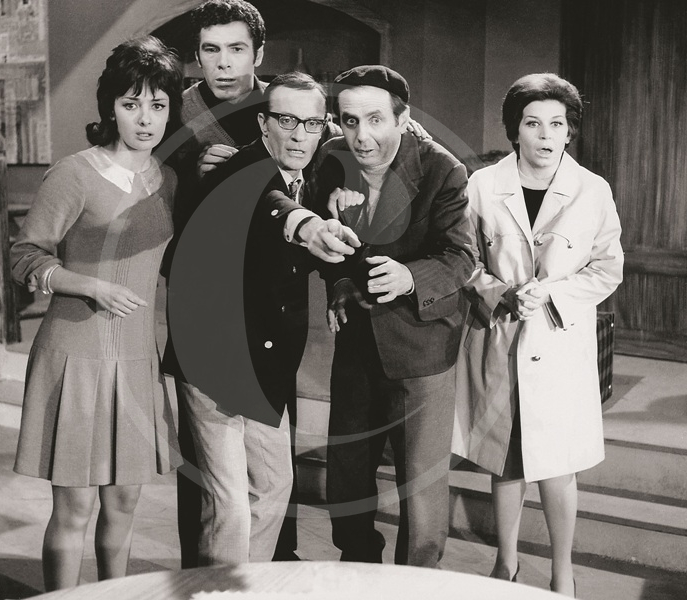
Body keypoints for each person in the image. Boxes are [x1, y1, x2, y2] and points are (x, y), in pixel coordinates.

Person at [10, 36, 184, 590]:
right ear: (110, 106)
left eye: (158, 105)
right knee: (76, 509)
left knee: (125, 503)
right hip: (77, 357)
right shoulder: (74, 173)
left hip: (136, 360)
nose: (145, 118)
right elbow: (24, 255)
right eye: (132, 104)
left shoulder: (168, 179)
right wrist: (90, 285)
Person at [166, 71, 358, 565]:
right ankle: (218, 592)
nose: (298, 135)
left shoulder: (314, 173)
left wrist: (338, 272)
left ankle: (244, 589)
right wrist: (307, 225)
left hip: (266, 362)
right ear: (263, 123)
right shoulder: (235, 169)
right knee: (230, 504)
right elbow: (265, 203)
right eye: (286, 121)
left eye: (311, 124)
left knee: (273, 487)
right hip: (213, 358)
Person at [451, 73, 624, 597]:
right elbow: (461, 259)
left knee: (558, 463)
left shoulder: (592, 189)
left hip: (558, 338)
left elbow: (608, 268)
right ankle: (505, 564)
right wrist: (500, 293)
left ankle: (561, 573)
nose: (546, 135)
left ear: (570, 131)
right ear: (515, 130)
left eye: (557, 124)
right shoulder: (482, 185)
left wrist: (548, 294)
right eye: (533, 123)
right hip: (499, 336)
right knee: (506, 458)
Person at [310, 65, 474, 567]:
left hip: (422, 348)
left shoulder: (442, 169)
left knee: (420, 487)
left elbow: (461, 257)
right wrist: (339, 281)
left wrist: (408, 277)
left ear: (402, 120)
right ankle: (359, 569)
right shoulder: (330, 160)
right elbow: (324, 243)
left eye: (376, 120)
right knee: (347, 475)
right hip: (357, 344)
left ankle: (416, 583)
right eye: (350, 121)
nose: (362, 135)